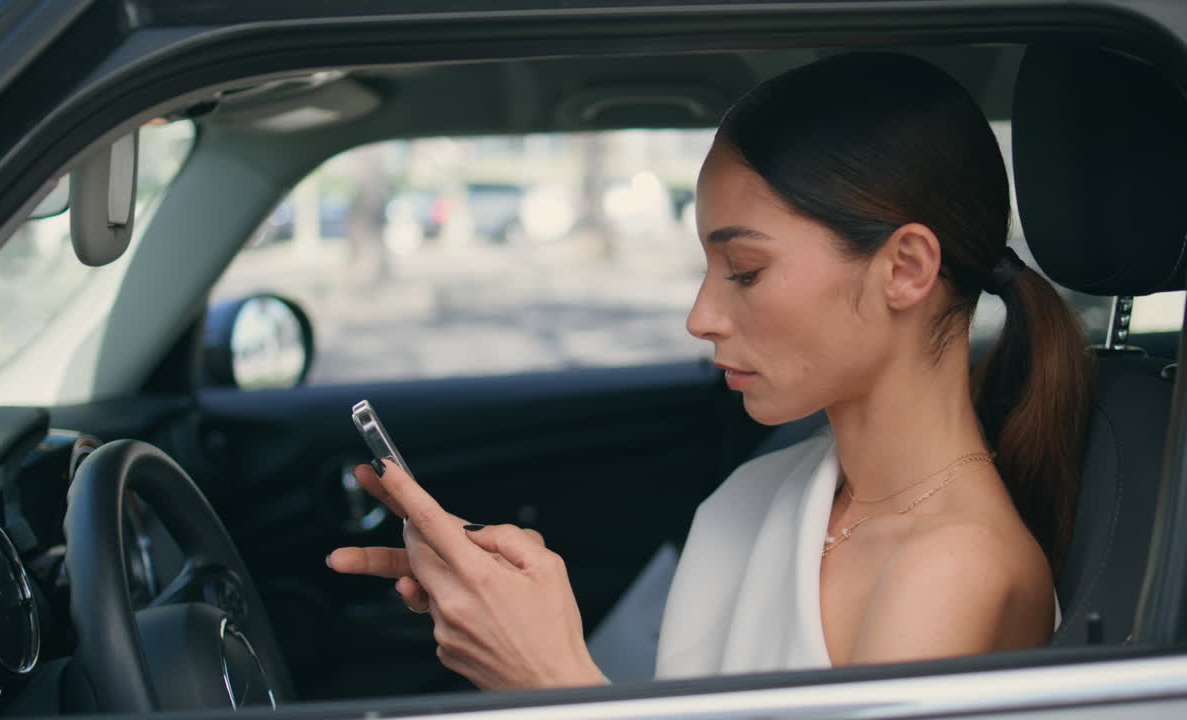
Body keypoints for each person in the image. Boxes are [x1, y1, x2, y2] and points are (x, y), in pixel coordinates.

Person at [325, 52, 1092, 690]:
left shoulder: (955, 571)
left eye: (745, 269)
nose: (700, 317)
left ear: (906, 269)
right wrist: (512, 620)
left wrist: (550, 678)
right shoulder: (758, 495)